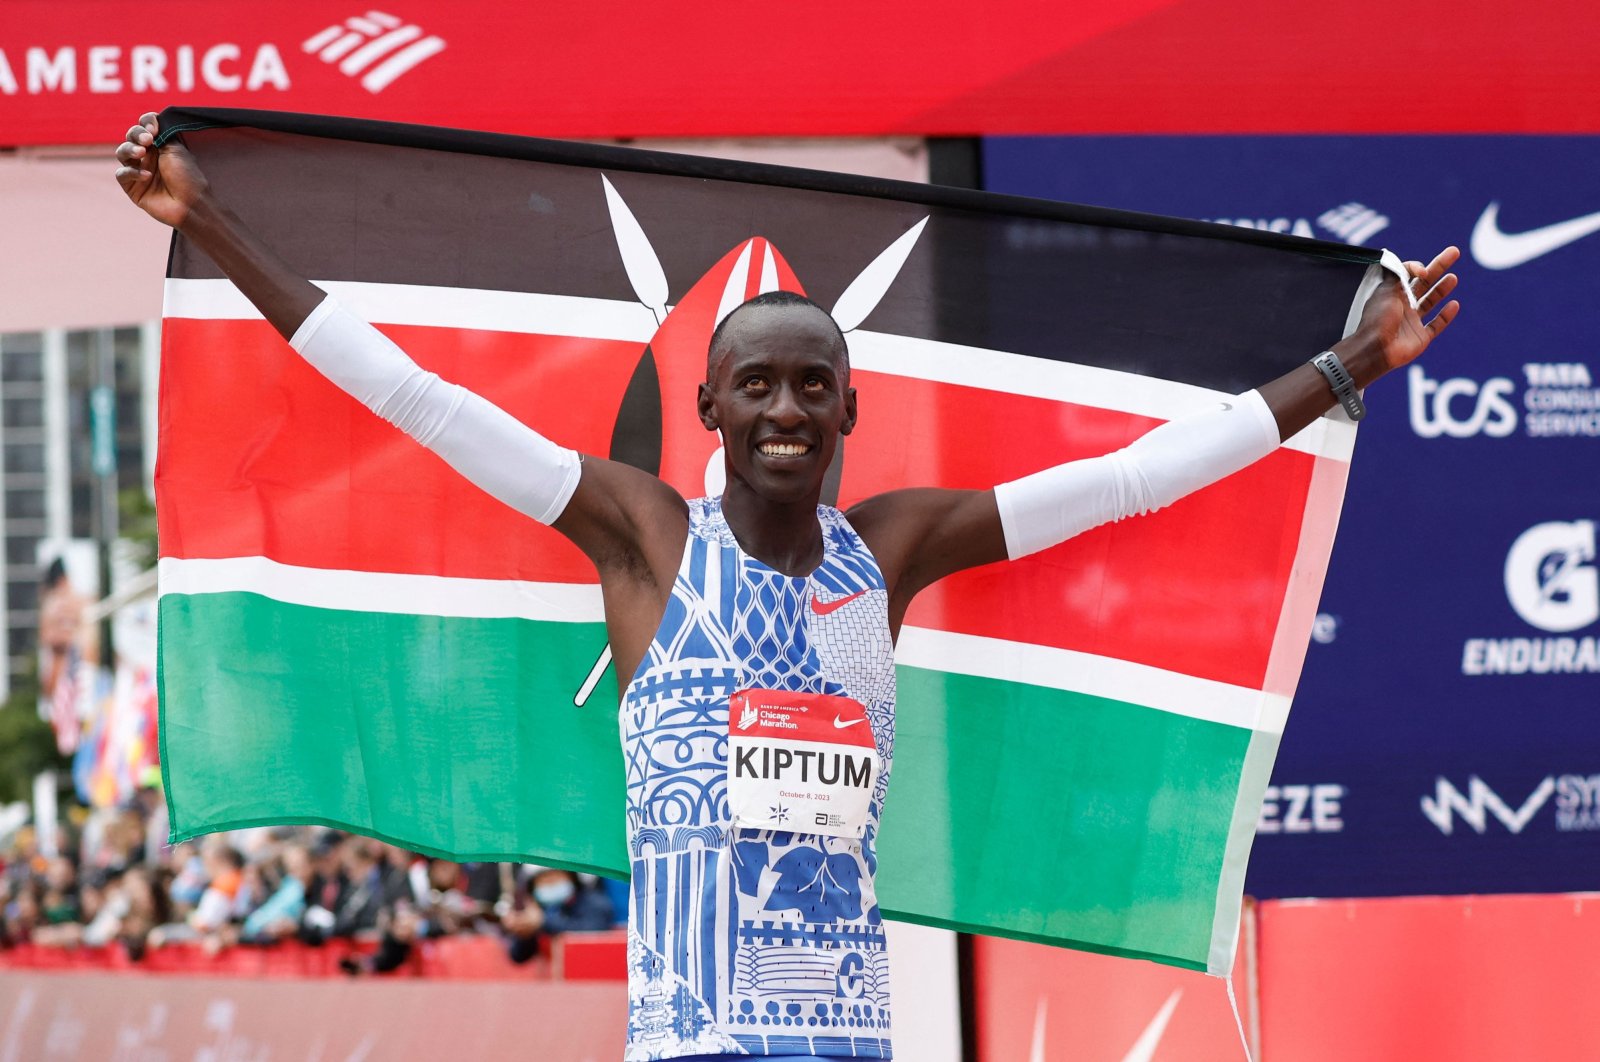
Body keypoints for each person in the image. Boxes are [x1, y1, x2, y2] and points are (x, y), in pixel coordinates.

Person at [116, 112, 1459, 1061]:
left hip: (850, 1033)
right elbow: (419, 397)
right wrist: (215, 222)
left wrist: (1346, 372)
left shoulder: (897, 549)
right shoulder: (643, 535)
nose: (784, 408)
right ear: (705, 403)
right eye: (755, 382)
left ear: (849, 409)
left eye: (813, 385)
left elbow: (1133, 478)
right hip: (694, 1038)